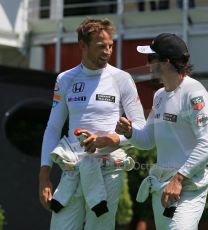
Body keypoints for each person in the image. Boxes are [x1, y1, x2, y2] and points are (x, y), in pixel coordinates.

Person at [38, 18, 145, 230]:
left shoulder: (122, 79)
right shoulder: (65, 79)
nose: (107, 51)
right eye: (100, 46)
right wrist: (44, 177)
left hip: (108, 171)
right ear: (82, 45)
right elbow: (53, 128)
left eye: (110, 46)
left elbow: (141, 127)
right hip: (73, 169)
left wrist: (110, 139)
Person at [116, 33, 208, 229]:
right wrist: (129, 132)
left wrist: (178, 179)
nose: (147, 64)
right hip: (162, 186)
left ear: (166, 62)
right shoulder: (160, 96)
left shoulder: (194, 93)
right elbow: (147, 140)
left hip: (188, 186)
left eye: (150, 58)